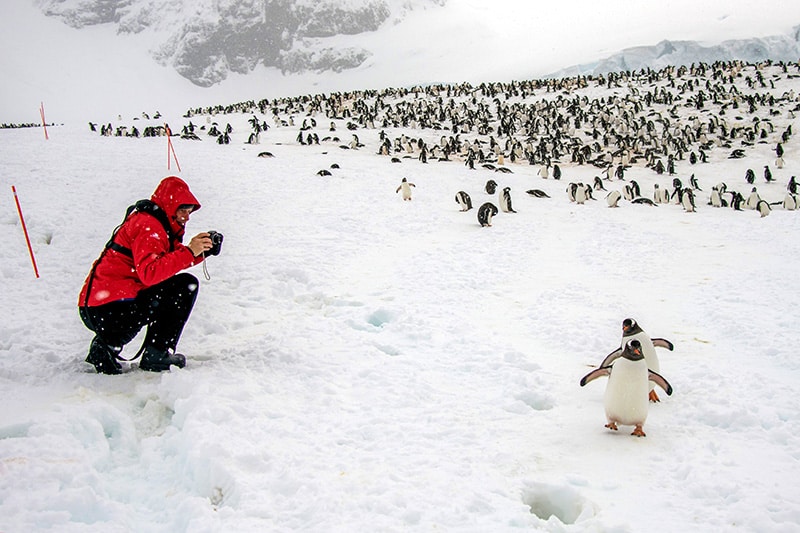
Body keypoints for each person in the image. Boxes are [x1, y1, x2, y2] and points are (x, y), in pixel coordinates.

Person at [78, 176, 218, 374]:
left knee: (160, 293)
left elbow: (164, 259)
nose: (186, 216)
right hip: (109, 308)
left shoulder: (153, 222)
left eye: (188, 212)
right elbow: (150, 273)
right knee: (183, 286)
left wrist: (202, 252)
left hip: (101, 306)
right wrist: (189, 252)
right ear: (170, 206)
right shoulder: (149, 226)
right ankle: (157, 353)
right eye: (182, 210)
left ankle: (106, 346)